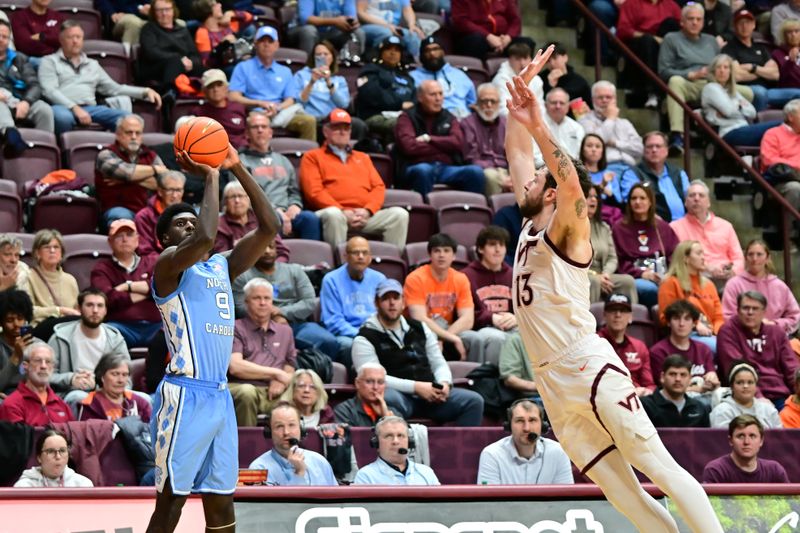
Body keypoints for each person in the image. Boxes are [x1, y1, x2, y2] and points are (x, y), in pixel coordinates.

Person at [505, 46, 722, 531]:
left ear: (555, 191)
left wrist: (541, 125)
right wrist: (518, 103)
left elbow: (566, 178)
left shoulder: (570, 230)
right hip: (551, 380)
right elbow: (517, 152)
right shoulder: (530, 219)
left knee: (657, 467)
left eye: (539, 178)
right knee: (621, 495)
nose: (528, 181)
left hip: (585, 364)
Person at [146, 136, 278, 532]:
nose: (189, 226)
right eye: (179, 224)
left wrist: (238, 168)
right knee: (172, 501)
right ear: (165, 240)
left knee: (222, 504)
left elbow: (271, 226)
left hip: (219, 396)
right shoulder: (168, 268)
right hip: (184, 394)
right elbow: (204, 235)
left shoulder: (220, 266)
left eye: (192, 219)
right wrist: (211, 173)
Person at [352, 278, 485, 426]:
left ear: (403, 302)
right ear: (376, 303)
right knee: (383, 397)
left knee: (474, 401)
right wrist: (416, 387)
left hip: (431, 394)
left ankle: (462, 448)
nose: (392, 303)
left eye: (396, 297)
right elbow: (372, 380)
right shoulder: (364, 337)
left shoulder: (420, 327)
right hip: (399, 395)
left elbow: (438, 362)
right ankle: (401, 445)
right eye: (385, 298)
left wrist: (444, 384)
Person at [300, 108, 409, 248]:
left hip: (363, 215)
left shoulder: (363, 157)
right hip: (334, 213)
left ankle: (392, 265)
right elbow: (314, 192)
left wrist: (368, 211)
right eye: (336, 127)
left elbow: (378, 187)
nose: (342, 131)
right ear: (325, 131)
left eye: (346, 128)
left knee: (399, 214)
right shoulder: (312, 157)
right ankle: (338, 266)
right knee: (334, 215)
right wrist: (342, 210)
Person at [39, 21, 161, 137]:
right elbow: (49, 91)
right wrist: (74, 108)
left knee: (128, 119)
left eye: (78, 37)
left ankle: (119, 153)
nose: (75, 41)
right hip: (62, 107)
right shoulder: (49, 61)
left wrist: (144, 91)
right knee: (62, 117)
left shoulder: (93, 64)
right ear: (61, 40)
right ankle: (65, 154)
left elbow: (114, 89)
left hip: (91, 108)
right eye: (70, 37)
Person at [232, 237, 340, 363]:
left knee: (329, 341)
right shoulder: (242, 276)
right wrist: (271, 318)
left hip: (296, 324)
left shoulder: (294, 271)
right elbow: (240, 306)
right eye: (262, 247)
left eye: (271, 247)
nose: (267, 251)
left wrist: (281, 312)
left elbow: (309, 302)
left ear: (277, 250)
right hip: (258, 327)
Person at [395, 80, 485, 197]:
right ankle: (425, 212)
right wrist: (444, 146)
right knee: (424, 170)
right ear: (420, 97)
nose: (438, 99)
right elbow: (409, 147)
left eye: (440, 94)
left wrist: (430, 139)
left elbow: (457, 143)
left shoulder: (449, 117)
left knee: (475, 172)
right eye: (433, 95)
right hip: (416, 166)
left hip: (445, 168)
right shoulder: (406, 117)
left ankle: (472, 212)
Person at [228, 278, 297, 427]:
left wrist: (281, 381)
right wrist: (275, 374)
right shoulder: (235, 327)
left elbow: (290, 365)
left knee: (305, 390)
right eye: (256, 298)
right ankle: (247, 445)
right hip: (241, 386)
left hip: (274, 391)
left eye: (267, 298)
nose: (263, 302)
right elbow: (235, 366)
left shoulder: (285, 331)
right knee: (247, 392)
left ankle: (295, 445)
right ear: (246, 302)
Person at [228, 26, 316, 141]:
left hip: (281, 111)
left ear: (277, 45)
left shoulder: (285, 71)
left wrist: (278, 108)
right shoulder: (243, 67)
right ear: (255, 44)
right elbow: (233, 96)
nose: (266, 44)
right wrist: (259, 103)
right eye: (262, 41)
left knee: (309, 121)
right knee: (258, 124)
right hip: (255, 111)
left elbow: (290, 99)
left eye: (270, 41)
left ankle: (308, 158)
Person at [717, 291, 799, 410]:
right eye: (746, 308)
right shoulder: (728, 331)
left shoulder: (776, 332)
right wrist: (758, 397)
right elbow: (736, 369)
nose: (750, 312)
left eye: (755, 308)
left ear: (764, 312)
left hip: (781, 395)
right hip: (746, 397)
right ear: (738, 310)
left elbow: (792, 368)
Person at [403, 234, 480, 362]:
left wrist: (444, 337)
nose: (441, 255)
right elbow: (419, 318)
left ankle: (476, 377)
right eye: (437, 251)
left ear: (454, 255)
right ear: (430, 255)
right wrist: (450, 338)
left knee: (476, 338)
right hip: (420, 330)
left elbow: (468, 319)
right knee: (430, 338)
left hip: (447, 328)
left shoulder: (460, 279)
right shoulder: (415, 278)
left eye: (446, 251)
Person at [48, 288, 130, 406]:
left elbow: (128, 376)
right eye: (90, 305)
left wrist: (101, 384)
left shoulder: (115, 339)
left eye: (100, 306)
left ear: (106, 310)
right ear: (79, 308)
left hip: (109, 392)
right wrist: (71, 379)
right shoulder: (60, 337)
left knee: (144, 398)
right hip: (73, 392)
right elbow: (46, 375)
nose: (95, 310)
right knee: (78, 397)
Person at [658, 3, 722, 155]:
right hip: (689, 84)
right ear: (682, 21)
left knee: (753, 93)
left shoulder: (711, 41)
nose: (695, 22)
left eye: (699, 19)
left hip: (713, 84)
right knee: (675, 81)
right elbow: (663, 71)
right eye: (690, 19)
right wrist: (689, 75)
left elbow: (721, 64)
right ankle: (677, 136)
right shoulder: (671, 39)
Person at [90, 219, 162, 348]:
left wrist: (126, 287)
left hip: (156, 326)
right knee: (104, 333)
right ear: (109, 242)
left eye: (129, 235)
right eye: (119, 236)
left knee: (177, 331)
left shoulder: (154, 262)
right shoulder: (101, 269)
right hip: (121, 327)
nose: (124, 239)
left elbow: (164, 289)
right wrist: (147, 292)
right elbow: (106, 299)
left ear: (137, 239)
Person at [612, 182, 680, 307]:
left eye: (642, 198)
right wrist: (642, 274)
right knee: (650, 289)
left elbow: (675, 254)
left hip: (664, 276)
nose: (637, 202)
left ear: (650, 202)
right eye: (633, 198)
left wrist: (669, 275)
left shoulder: (662, 227)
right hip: (636, 277)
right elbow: (619, 261)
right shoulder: (619, 228)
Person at [95, 114, 167, 229]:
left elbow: (164, 183)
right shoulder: (106, 154)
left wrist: (126, 179)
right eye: (129, 132)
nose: (134, 137)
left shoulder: (150, 155)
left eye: (138, 133)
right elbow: (127, 173)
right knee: (122, 218)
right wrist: (154, 170)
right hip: (118, 210)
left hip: (147, 210)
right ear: (118, 135)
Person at [477, 400, 573, 485]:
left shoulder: (559, 452)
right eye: (519, 421)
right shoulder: (492, 454)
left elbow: (567, 498)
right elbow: (488, 503)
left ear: (543, 426)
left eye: (532, 420)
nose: (526, 428)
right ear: (509, 426)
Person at [669, 180, 744, 287]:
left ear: (708, 202)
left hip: (728, 280)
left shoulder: (725, 226)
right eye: (692, 195)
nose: (696, 198)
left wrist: (732, 271)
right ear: (685, 202)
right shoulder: (674, 227)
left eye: (701, 195)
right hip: (694, 279)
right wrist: (706, 268)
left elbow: (738, 258)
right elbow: (676, 260)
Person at [320, 236, 386, 355]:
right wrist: (362, 335)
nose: (360, 257)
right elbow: (333, 322)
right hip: (347, 335)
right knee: (351, 346)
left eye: (365, 253)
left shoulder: (380, 279)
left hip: (375, 332)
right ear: (346, 257)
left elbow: (385, 314)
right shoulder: (331, 280)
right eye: (355, 252)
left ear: (370, 257)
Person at [460, 226, 514, 366]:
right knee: (497, 338)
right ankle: (491, 382)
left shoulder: (514, 275)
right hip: (482, 328)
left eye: (501, 245)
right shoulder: (466, 276)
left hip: (511, 324)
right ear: (480, 249)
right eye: (492, 245)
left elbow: (526, 307)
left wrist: (516, 318)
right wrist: (490, 317)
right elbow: (465, 313)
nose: (498, 250)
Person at [722, 239, 800, 336]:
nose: (754, 259)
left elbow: (795, 316)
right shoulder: (733, 284)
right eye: (751, 254)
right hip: (742, 337)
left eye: (759, 254)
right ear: (746, 258)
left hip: (775, 335)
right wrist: (753, 325)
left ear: (767, 258)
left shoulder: (780, 286)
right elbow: (728, 316)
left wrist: (775, 324)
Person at [248, 402, 338, 486]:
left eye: (291, 425)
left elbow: (337, 500)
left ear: (301, 428)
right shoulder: (258, 469)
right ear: (269, 431)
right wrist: (299, 473)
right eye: (279, 426)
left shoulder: (320, 462)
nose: (286, 432)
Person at [658, 240, 724, 353]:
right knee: (719, 348)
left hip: (711, 334)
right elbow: (665, 316)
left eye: (703, 254)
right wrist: (695, 324)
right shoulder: (670, 283)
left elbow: (718, 317)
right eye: (699, 254)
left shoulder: (709, 285)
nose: (703, 258)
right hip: (686, 334)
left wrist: (719, 333)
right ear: (686, 258)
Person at [722, 9, 794, 111]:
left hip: (770, 90)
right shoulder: (729, 49)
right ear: (734, 26)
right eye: (741, 23)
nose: (744, 26)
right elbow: (737, 75)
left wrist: (753, 68)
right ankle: (760, 123)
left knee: (798, 94)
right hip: (748, 90)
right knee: (760, 93)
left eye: (748, 22)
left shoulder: (761, 48)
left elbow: (776, 74)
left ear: (754, 25)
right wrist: (763, 71)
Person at [701, 54, 780, 147]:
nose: (722, 71)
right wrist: (739, 105)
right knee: (780, 125)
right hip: (729, 132)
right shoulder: (711, 88)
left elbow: (753, 112)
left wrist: (736, 107)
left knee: (780, 134)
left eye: (726, 67)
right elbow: (729, 111)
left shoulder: (731, 91)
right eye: (718, 67)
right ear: (713, 71)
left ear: (730, 72)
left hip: (743, 128)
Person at [293, 40, 365, 140]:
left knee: (359, 125)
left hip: (334, 120)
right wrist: (311, 83)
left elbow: (343, 104)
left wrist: (329, 82)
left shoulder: (339, 80)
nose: (322, 57)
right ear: (313, 58)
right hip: (314, 120)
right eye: (318, 54)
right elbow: (298, 102)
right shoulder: (301, 75)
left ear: (332, 57)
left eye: (326, 54)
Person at [616, 0, 681, 108]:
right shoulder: (631, 3)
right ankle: (652, 92)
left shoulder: (671, 5)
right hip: (639, 44)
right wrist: (652, 38)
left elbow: (682, 26)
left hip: (665, 42)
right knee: (648, 41)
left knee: (671, 24)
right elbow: (623, 30)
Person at [353, 35, 416, 145]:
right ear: (381, 52)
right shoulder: (370, 70)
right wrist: (400, 104)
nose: (393, 53)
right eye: (388, 49)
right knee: (402, 124)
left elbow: (413, 100)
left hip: (402, 115)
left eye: (397, 50)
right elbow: (372, 95)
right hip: (374, 116)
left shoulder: (407, 77)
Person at [0, 19, 54, 142]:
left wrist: (26, 102)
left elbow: (34, 85)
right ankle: (12, 138)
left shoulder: (19, 58)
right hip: (1, 103)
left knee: (44, 109)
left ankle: (44, 148)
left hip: (19, 100)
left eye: (5, 37)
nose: (1, 39)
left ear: (9, 40)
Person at [619, 131, 690, 222]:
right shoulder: (632, 174)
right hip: (652, 226)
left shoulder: (678, 173)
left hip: (682, 226)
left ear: (666, 151)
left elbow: (690, 199)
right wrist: (661, 226)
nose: (654, 150)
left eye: (658, 146)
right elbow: (633, 203)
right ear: (644, 151)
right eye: (650, 147)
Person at [649, 299, 718, 392]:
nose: (681, 324)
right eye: (676, 318)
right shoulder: (658, 351)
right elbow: (665, 390)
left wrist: (712, 379)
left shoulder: (703, 349)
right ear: (669, 322)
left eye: (687, 319)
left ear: (694, 323)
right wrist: (699, 389)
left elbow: (712, 375)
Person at [212, 180, 296, 255]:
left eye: (240, 196)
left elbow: (281, 250)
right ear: (225, 202)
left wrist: (277, 268)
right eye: (232, 197)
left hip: (270, 267)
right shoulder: (220, 225)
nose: (237, 201)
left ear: (248, 199)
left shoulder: (261, 218)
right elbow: (221, 258)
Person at [22, 229, 80, 338]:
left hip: (68, 328)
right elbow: (27, 310)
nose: (52, 250)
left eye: (56, 247)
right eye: (47, 247)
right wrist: (59, 310)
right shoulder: (27, 276)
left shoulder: (70, 279)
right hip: (41, 329)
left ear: (61, 253)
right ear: (37, 253)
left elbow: (76, 310)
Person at [0, 342, 74, 425]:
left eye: (48, 361)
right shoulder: (12, 405)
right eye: (38, 361)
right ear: (25, 366)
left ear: (53, 367)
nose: (43, 366)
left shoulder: (62, 405)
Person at [137, 0, 202, 95]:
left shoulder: (182, 30)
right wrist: (179, 59)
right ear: (154, 13)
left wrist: (191, 62)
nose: (164, 13)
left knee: (209, 71)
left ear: (173, 11)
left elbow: (195, 55)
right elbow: (151, 53)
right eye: (159, 10)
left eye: (167, 9)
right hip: (157, 68)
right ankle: (169, 93)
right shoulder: (148, 29)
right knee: (174, 62)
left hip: (183, 67)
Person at [353, 415, 440, 485]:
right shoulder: (366, 476)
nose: (395, 441)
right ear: (376, 443)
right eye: (389, 436)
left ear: (409, 442)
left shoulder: (426, 473)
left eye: (400, 435)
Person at [702, 415, 790, 483]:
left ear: (761, 441)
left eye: (752, 436)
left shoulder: (775, 470)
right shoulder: (716, 470)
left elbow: (790, 505)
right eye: (740, 436)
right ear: (730, 440)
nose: (746, 442)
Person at [597, 294, 655, 397]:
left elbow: (649, 384)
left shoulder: (639, 347)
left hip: (638, 400)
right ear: (604, 315)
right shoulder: (594, 343)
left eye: (623, 310)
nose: (618, 315)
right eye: (612, 310)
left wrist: (647, 391)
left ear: (630, 317)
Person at [586, 186, 636, 303]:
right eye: (589, 196)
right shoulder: (571, 227)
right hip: (582, 275)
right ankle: (591, 321)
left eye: (595, 197)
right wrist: (595, 276)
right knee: (593, 282)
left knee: (627, 282)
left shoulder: (604, 227)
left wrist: (606, 274)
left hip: (603, 274)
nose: (593, 200)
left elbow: (612, 258)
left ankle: (630, 320)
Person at [578, 81, 644, 169]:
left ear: (615, 99)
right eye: (600, 97)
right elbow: (596, 142)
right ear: (593, 100)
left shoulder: (624, 123)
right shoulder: (585, 121)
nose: (604, 100)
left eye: (608, 97)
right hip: (604, 167)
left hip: (630, 167)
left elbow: (640, 149)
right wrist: (610, 118)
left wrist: (615, 143)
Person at [461, 83, 510, 197]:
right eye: (484, 101)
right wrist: (502, 177)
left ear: (499, 104)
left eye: (493, 101)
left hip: (506, 169)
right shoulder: (468, 123)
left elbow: (513, 154)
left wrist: (512, 176)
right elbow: (471, 157)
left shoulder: (506, 123)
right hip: (484, 169)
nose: (489, 105)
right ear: (477, 103)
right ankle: (497, 211)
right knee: (491, 176)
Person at [409, 36, 476, 119]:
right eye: (427, 50)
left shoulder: (459, 75)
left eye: (436, 49)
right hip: (430, 120)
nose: (432, 54)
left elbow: (473, 103)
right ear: (421, 56)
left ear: (443, 52)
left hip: (463, 119)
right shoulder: (412, 77)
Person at [77, 352, 152, 422]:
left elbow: (151, 430)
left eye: (125, 375)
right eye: (115, 374)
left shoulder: (140, 403)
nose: (121, 380)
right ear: (102, 376)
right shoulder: (90, 404)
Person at [641, 354, 711, 427]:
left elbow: (706, 438)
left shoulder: (700, 408)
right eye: (672, 374)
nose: (678, 379)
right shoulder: (645, 406)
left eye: (683, 375)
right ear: (662, 377)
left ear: (690, 379)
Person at [759, 99, 800, 221]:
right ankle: (790, 236)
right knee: (795, 188)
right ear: (791, 117)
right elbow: (769, 160)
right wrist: (797, 165)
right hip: (781, 181)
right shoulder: (773, 134)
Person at [710, 363, 783, 429]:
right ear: (732, 386)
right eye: (740, 382)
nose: (745, 386)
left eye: (750, 382)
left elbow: (779, 439)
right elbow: (720, 441)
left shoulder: (769, 410)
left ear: (756, 386)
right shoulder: (722, 411)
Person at [188, 69, 248, 149]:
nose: (216, 89)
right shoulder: (198, 113)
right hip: (213, 154)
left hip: (243, 153)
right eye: (210, 86)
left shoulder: (239, 107)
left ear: (227, 87)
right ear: (204, 91)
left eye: (219, 85)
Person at [14, 429, 93, 488]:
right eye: (51, 451)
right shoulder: (24, 486)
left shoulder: (83, 484)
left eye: (62, 451)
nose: (58, 457)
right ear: (39, 457)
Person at [135, 171, 186, 258]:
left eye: (178, 190)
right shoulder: (144, 216)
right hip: (159, 265)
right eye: (170, 190)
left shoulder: (189, 216)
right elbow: (145, 252)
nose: (174, 195)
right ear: (160, 192)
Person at [288, 0, 365, 57]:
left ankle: (353, 69)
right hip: (300, 30)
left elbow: (351, 16)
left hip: (331, 32)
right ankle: (308, 69)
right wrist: (335, 21)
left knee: (357, 32)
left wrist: (353, 23)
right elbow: (305, 19)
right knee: (309, 31)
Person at [532, 87, 585, 168]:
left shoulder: (577, 128)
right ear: (545, 105)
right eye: (554, 103)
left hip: (573, 171)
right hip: (543, 170)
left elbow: (580, 156)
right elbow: (534, 157)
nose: (558, 106)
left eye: (562, 103)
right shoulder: (535, 125)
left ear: (568, 106)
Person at [333, 362, 400, 426]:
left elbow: (399, 436)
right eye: (369, 381)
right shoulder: (344, 411)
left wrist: (386, 416)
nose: (375, 387)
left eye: (380, 382)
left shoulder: (393, 413)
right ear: (357, 383)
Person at [192, 0, 253, 69]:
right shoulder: (202, 33)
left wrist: (231, 13)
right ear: (207, 11)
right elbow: (207, 63)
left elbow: (250, 18)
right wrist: (222, 46)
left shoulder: (228, 24)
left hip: (242, 59)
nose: (220, 5)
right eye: (215, 4)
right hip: (225, 68)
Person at [450, 0, 520, 59]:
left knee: (525, 42)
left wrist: (508, 37)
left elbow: (515, 20)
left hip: (502, 39)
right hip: (473, 38)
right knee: (476, 41)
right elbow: (461, 21)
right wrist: (488, 36)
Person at [493, 41, 544, 118]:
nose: (522, 63)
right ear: (509, 60)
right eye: (517, 59)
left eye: (525, 58)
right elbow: (502, 110)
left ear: (531, 59)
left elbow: (541, 108)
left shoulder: (537, 80)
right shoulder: (501, 79)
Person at [356, 0, 424, 57]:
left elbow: (407, 9)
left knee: (413, 35)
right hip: (369, 26)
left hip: (393, 27)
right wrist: (386, 25)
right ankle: (377, 62)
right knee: (385, 33)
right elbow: (360, 12)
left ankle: (415, 65)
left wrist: (412, 25)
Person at [0, 289, 34, 396]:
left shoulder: (38, 345)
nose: (16, 324)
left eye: (20, 318)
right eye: (10, 320)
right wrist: (15, 356)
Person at [539, 43, 591, 108]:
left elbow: (589, 105)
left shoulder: (579, 81)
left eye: (555, 58)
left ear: (565, 57)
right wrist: (549, 86)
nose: (552, 63)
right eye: (548, 60)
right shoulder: (539, 79)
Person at [581, 135, 623, 209]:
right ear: (582, 150)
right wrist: (602, 187)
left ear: (603, 151)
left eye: (597, 146)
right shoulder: (578, 173)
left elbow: (619, 203)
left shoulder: (610, 174)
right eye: (589, 146)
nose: (594, 149)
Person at [498, 332, 538, 397]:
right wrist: (542, 387)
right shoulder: (515, 339)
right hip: (533, 396)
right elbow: (510, 380)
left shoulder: (556, 337)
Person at [771, 19, 800, 102]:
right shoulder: (777, 53)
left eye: (796, 31)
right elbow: (781, 77)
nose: (793, 35)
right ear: (784, 35)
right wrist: (790, 61)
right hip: (788, 91)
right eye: (789, 32)